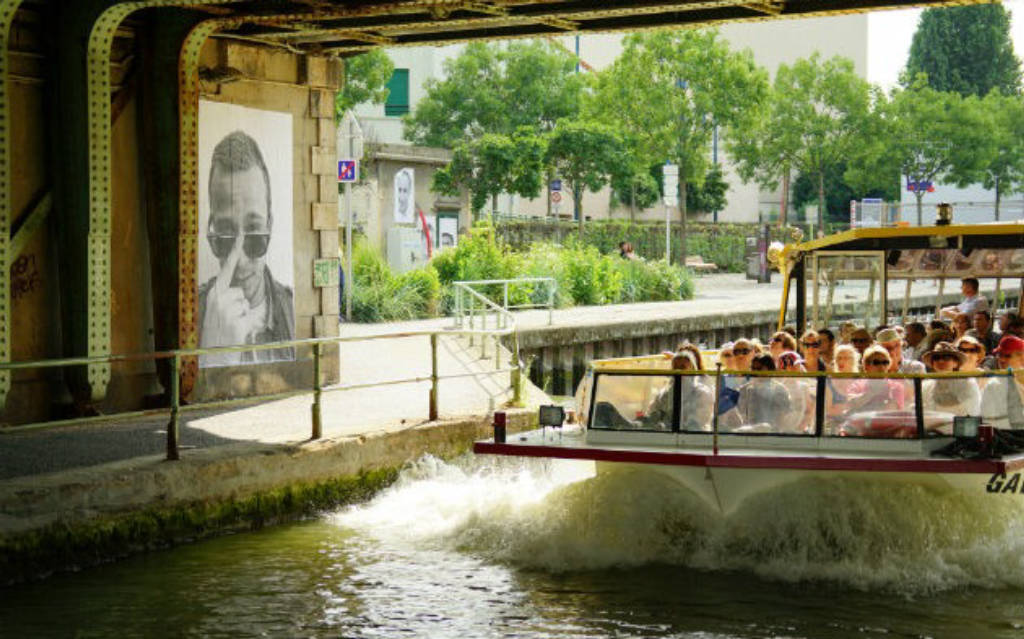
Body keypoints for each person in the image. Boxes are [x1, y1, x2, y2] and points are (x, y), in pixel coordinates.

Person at [199, 130, 295, 367]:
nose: (239, 260)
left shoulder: (293, 309)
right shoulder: (190, 312)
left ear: (269, 226)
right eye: (225, 234)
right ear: (212, 232)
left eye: (254, 233)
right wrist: (212, 358)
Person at [920, 342, 980, 418]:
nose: (940, 361)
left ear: (956, 363)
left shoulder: (968, 383)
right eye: (936, 358)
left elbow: (973, 412)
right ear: (932, 363)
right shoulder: (925, 386)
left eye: (946, 358)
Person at [735, 354, 792, 431]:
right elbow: (739, 414)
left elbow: (783, 416)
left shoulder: (779, 390)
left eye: (759, 368)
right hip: (748, 433)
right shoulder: (744, 389)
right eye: (753, 368)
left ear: (770, 370)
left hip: (770, 433)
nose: (755, 372)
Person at [843, 345, 905, 412]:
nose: (881, 367)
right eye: (876, 363)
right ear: (866, 366)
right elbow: (851, 404)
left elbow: (893, 410)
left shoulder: (896, 387)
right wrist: (871, 393)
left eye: (885, 362)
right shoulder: (857, 385)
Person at [981, 335, 1024, 429]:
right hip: (1002, 434)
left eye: (1007, 356)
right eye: (999, 355)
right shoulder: (993, 384)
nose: (1002, 360)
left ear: (1022, 358)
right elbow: (988, 419)